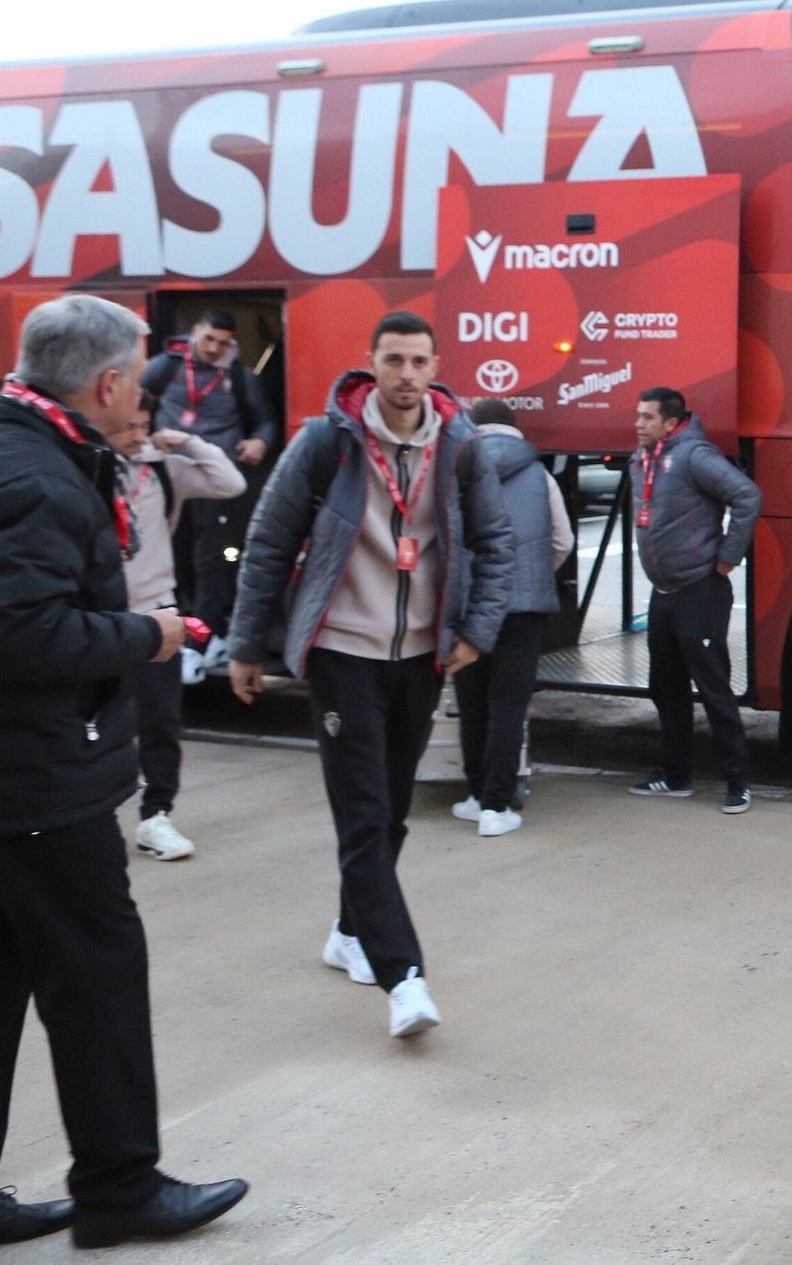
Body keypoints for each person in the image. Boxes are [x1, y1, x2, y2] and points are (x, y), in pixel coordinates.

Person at [0, 295, 248, 1255]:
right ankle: (120, 1186)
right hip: (29, 781)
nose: (147, 393)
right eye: (140, 376)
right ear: (108, 380)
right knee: (97, 974)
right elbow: (19, 632)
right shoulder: (32, 474)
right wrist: (146, 633)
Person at [228, 312, 514, 1038]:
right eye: (394, 359)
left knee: (389, 811)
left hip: (421, 654)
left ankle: (349, 932)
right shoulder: (327, 441)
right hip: (341, 651)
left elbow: (496, 540)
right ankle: (404, 977)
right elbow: (269, 540)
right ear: (372, 363)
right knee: (362, 814)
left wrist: (477, 631)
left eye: (420, 360)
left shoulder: (461, 446)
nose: (407, 373)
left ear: (436, 364)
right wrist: (245, 644)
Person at [111, 391, 247, 861]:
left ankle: (156, 816)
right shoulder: (85, 466)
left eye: (142, 426)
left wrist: (188, 440)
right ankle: (92, 817)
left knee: (160, 720)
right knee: (93, 722)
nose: (134, 436)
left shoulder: (164, 469)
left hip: (156, 613)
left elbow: (231, 482)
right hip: (98, 615)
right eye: (126, 425)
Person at [624, 386, 762, 815]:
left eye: (647, 417)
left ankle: (738, 782)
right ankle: (676, 775)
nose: (638, 424)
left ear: (671, 422)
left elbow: (747, 497)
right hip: (663, 592)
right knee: (665, 687)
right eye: (638, 416)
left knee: (713, 685)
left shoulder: (694, 455)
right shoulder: (640, 459)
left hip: (700, 591)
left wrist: (726, 560)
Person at [449, 399, 574, 837]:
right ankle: (496, 808)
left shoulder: (456, 472)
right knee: (508, 707)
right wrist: (534, 576)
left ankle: (475, 795)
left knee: (472, 706)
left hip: (468, 611)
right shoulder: (539, 475)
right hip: (523, 610)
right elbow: (562, 540)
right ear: (514, 428)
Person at [140, 309, 275, 681]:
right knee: (174, 561)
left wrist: (260, 441)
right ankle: (181, 633)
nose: (215, 348)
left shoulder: (239, 377)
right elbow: (135, 405)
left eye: (224, 342)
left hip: (216, 480)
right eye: (209, 339)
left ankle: (202, 642)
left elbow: (265, 419)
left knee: (211, 564)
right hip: (168, 478)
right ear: (194, 331)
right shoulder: (163, 368)